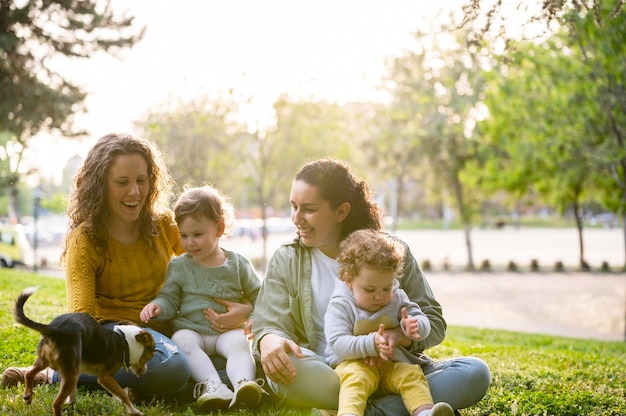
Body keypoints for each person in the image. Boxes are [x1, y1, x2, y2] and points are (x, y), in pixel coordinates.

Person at [1, 133, 251, 400]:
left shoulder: (164, 224)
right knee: (175, 369)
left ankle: (155, 385)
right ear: (100, 186)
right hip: (110, 335)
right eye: (122, 182)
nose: (135, 192)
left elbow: (214, 263)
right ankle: (54, 373)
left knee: (239, 361)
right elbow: (81, 322)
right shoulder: (85, 241)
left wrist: (244, 309)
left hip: (168, 336)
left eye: (141, 180)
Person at [251, 158, 491, 416]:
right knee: (283, 371)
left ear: (341, 211)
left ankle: (357, 411)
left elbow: (433, 320)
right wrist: (268, 338)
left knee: (475, 373)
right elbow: (268, 322)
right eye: (294, 207)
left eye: (309, 209)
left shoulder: (390, 253)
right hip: (333, 374)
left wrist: (396, 337)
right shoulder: (287, 259)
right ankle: (404, 410)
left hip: (396, 368)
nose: (296, 218)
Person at [140, 185, 265, 411]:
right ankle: (213, 386)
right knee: (182, 340)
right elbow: (169, 298)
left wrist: (254, 316)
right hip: (192, 329)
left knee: (239, 344)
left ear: (219, 228)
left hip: (226, 332)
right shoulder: (179, 266)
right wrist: (158, 306)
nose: (189, 243)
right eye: (184, 235)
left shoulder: (237, 263)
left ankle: (243, 384)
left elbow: (258, 294)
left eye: (197, 234)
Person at [323, 229, 454, 416]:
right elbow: (337, 344)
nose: (380, 295)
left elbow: (422, 320)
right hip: (354, 365)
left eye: (387, 287)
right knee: (355, 380)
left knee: (411, 374)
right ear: (349, 280)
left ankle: (425, 413)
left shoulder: (397, 296)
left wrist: (415, 326)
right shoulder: (341, 304)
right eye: (369, 289)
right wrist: (371, 343)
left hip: (391, 366)